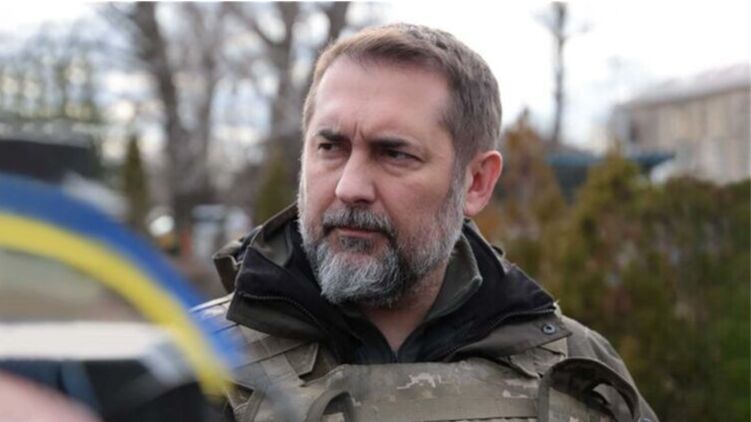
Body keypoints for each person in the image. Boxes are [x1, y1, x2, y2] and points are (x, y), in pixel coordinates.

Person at [195, 23, 658, 422]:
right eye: (330, 148)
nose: (349, 187)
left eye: (394, 153)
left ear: (476, 182)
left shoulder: (579, 375)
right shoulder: (192, 366)